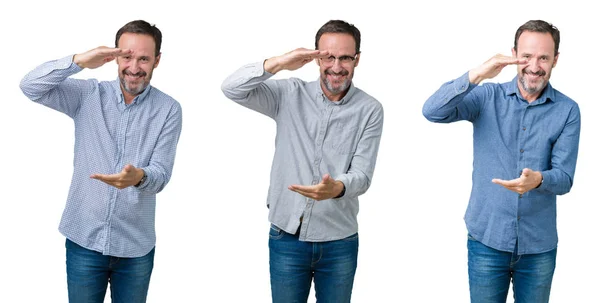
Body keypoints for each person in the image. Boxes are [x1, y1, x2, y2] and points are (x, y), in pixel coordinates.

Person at [19, 20, 182, 303]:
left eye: (144, 58)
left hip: (135, 249)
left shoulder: (169, 109)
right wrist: (78, 61)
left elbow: (161, 173)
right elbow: (31, 86)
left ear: (157, 61)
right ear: (115, 57)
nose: (134, 67)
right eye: (127, 56)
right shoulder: (88, 94)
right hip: (84, 240)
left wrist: (139, 177)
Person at [221, 19, 383, 302]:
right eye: (328, 57)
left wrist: (338, 188)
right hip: (287, 239)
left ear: (357, 59)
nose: (336, 66)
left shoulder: (370, 109)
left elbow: (362, 174)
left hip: (339, 241)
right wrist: (280, 62)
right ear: (315, 58)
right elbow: (232, 88)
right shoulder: (288, 94)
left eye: (345, 57)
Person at [422, 20, 580, 303]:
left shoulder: (568, 110)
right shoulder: (486, 96)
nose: (535, 65)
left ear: (555, 60)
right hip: (487, 241)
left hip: (538, 247)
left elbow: (565, 178)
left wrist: (539, 180)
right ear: (513, 54)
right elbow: (433, 111)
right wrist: (478, 74)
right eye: (527, 56)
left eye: (544, 57)